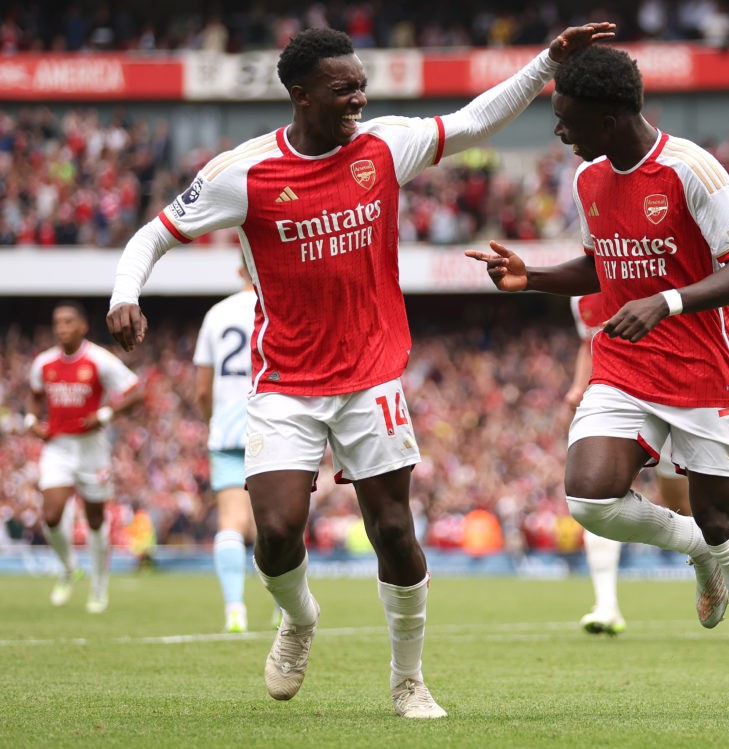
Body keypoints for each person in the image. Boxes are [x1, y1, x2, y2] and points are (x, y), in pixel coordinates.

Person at [105, 22, 616, 718]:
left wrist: (546, 62)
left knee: (394, 530)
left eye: (361, 87)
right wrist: (124, 293)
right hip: (285, 380)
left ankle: (409, 679)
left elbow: (473, 122)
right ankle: (300, 616)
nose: (359, 99)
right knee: (278, 529)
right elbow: (155, 232)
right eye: (344, 90)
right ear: (301, 94)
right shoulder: (244, 173)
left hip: (371, 374)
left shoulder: (383, 145)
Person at [467, 44, 729, 720]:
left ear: (613, 115)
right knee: (588, 497)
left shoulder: (690, 170)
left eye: (569, 118)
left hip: (702, 374)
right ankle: (693, 546)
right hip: (624, 368)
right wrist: (530, 275)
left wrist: (669, 300)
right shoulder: (590, 179)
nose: (560, 131)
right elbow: (601, 266)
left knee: (726, 525)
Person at [567, 292, 692, 636]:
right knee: (601, 495)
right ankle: (605, 604)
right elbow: (587, 341)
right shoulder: (582, 293)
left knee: (684, 505)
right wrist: (579, 386)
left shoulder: (646, 265)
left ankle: (712, 566)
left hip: (670, 395)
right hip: (615, 400)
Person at [26, 300, 142, 613]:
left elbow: (137, 391)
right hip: (59, 448)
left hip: (93, 449)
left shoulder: (99, 360)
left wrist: (105, 415)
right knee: (51, 514)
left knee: (94, 519)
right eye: (57, 323)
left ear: (82, 326)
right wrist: (31, 421)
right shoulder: (44, 363)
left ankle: (99, 586)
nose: (61, 328)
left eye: (67, 322)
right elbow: (34, 396)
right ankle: (67, 568)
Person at [193, 262, 258, 634]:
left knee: (231, 522)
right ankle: (285, 609)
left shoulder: (217, 314)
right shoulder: (280, 305)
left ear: (238, 270)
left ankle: (235, 607)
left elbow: (203, 389)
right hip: (274, 427)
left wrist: (211, 421)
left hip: (227, 431)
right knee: (276, 523)